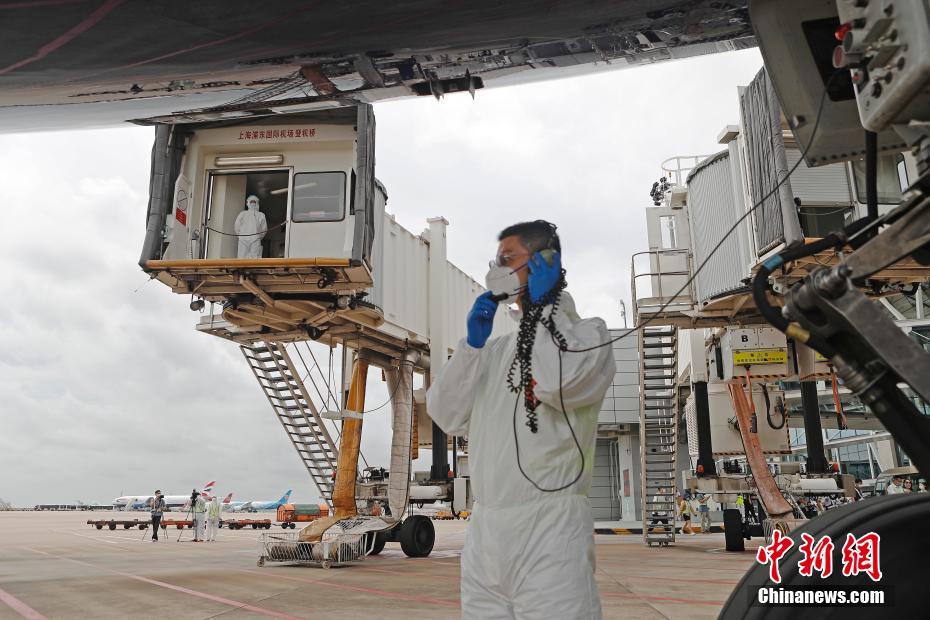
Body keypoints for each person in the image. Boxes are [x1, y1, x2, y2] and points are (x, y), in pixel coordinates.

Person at [427, 220, 614, 619]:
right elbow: (445, 413)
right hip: (487, 534)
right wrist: (471, 348)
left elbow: (555, 382)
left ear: (548, 263)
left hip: (550, 531)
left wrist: (545, 309)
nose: (498, 269)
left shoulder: (588, 335)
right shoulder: (494, 352)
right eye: (496, 261)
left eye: (508, 259)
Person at [234, 194, 267, 258]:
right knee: (246, 258)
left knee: (251, 258)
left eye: (254, 202)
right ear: (248, 203)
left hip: (252, 240)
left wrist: (241, 236)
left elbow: (264, 229)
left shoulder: (261, 215)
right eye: (251, 202)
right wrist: (242, 237)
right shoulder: (242, 214)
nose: (253, 203)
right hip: (246, 240)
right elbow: (237, 227)